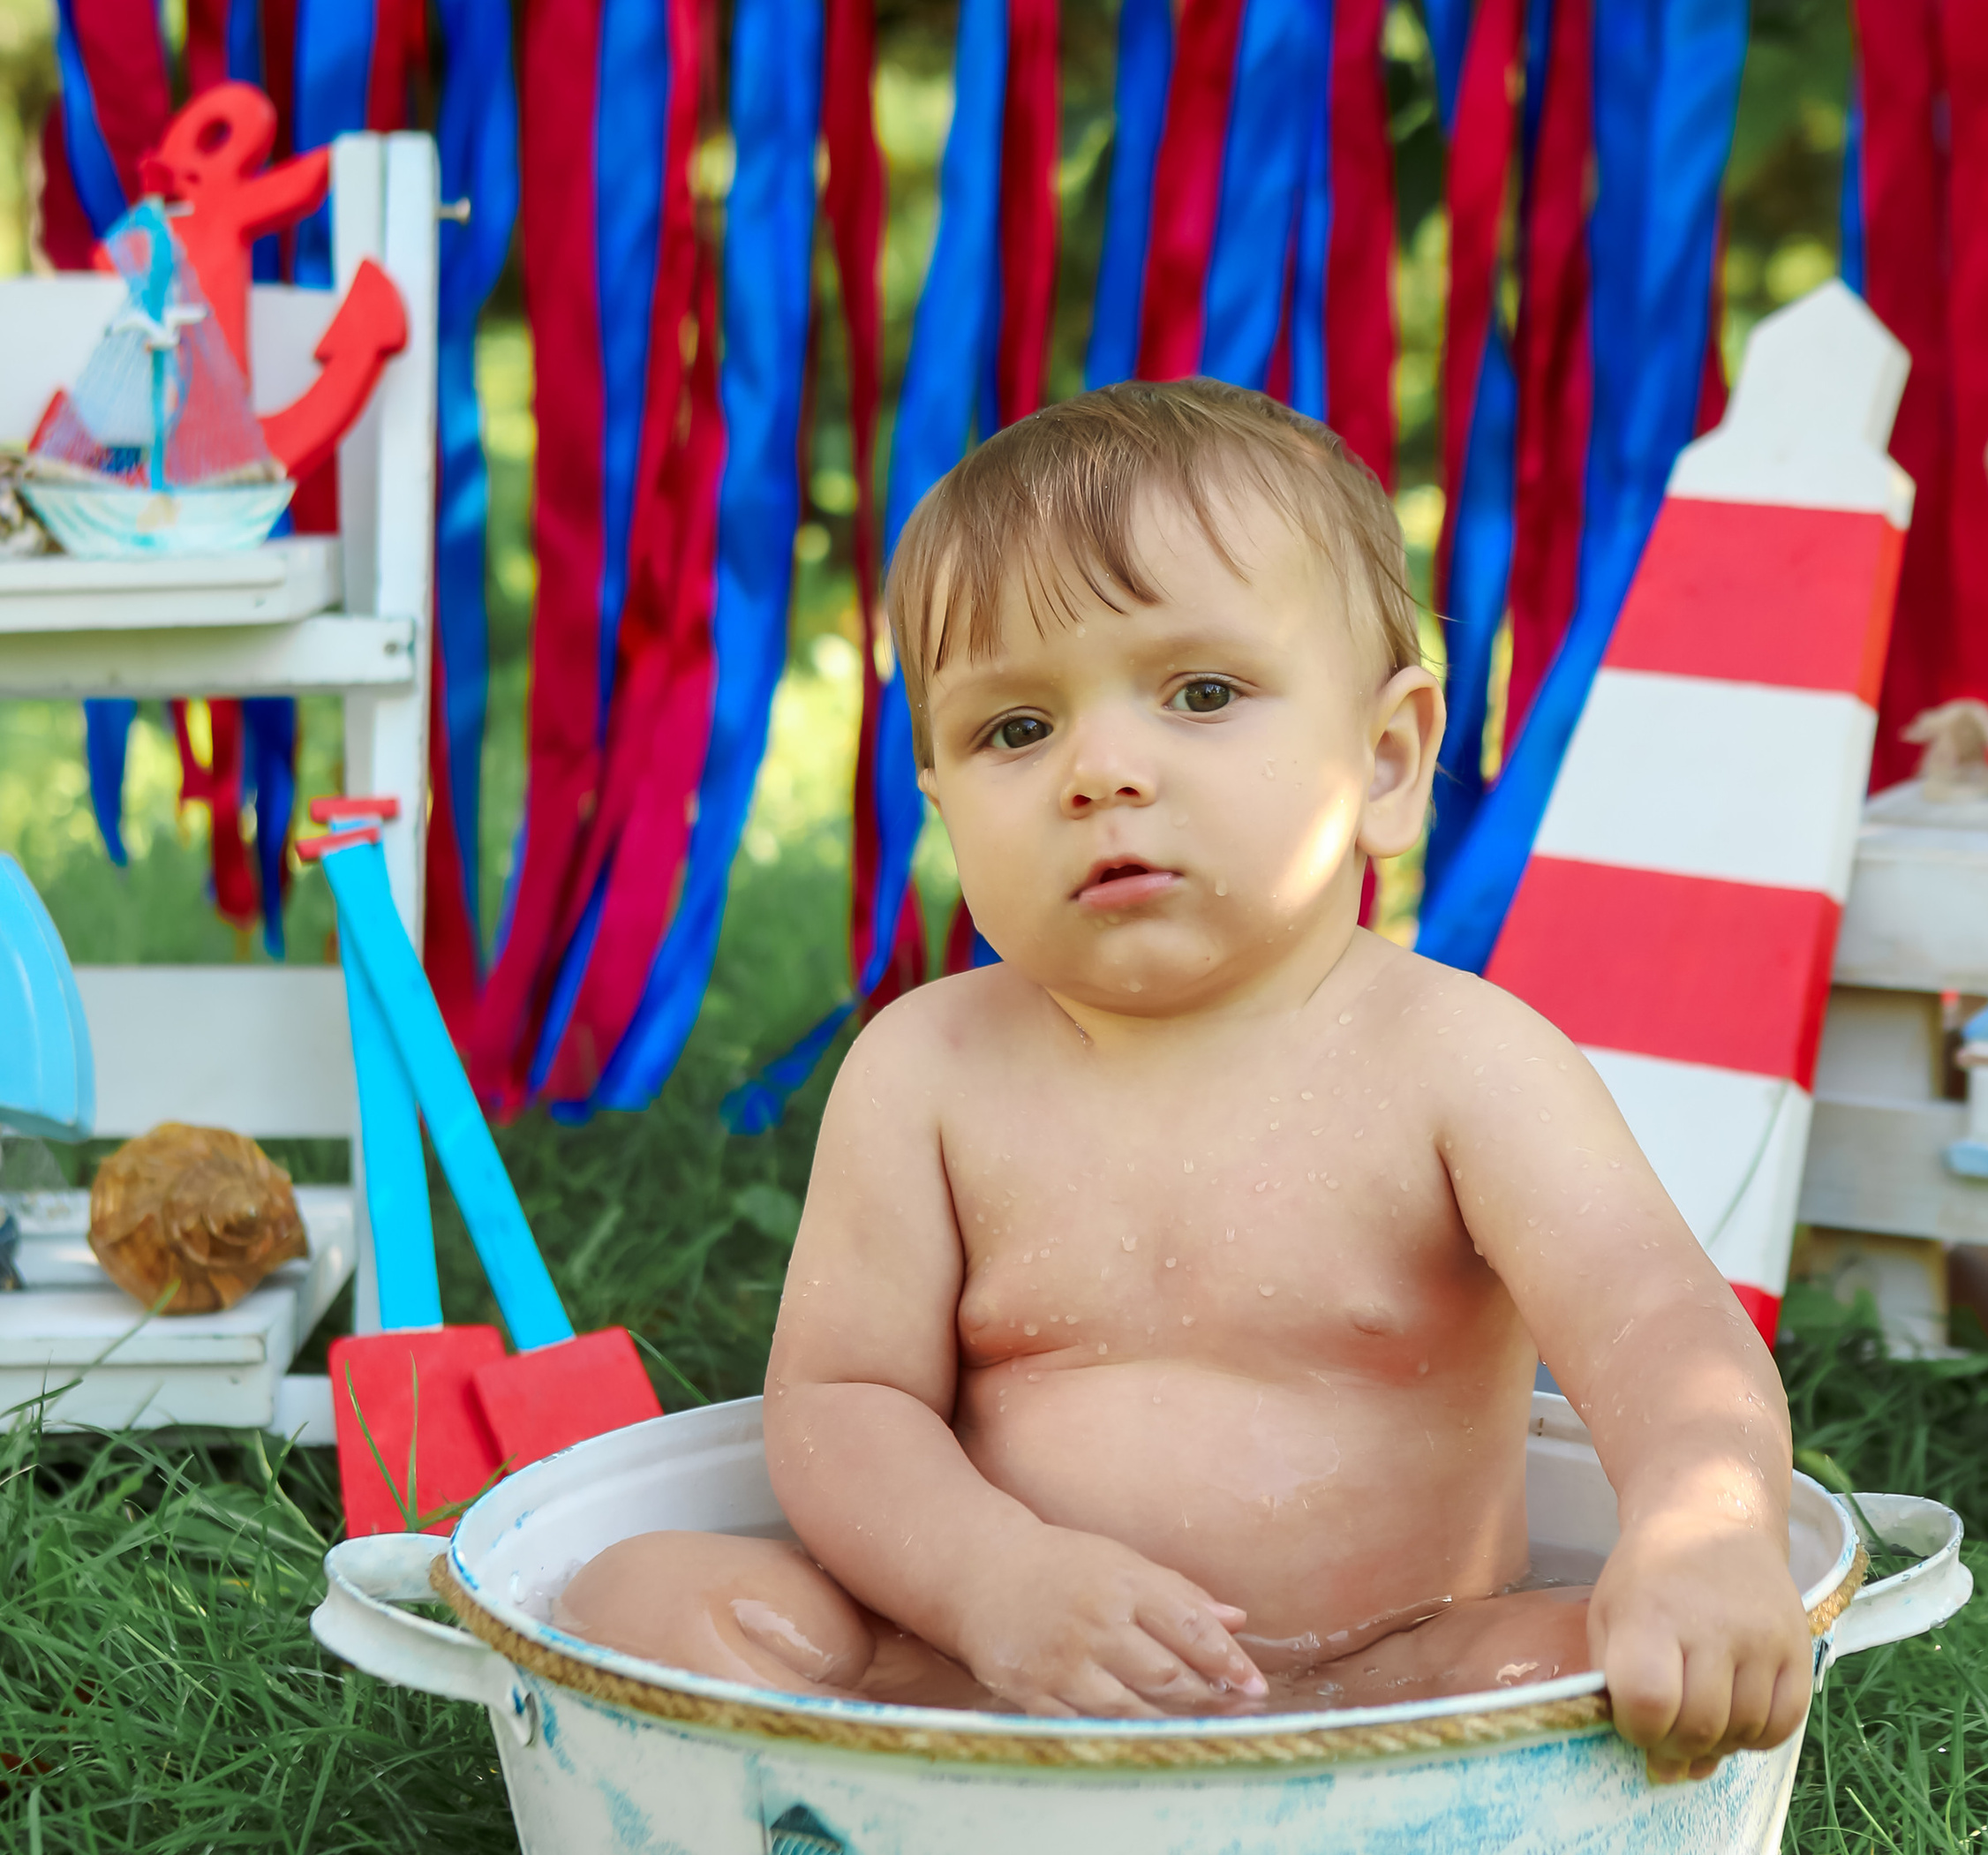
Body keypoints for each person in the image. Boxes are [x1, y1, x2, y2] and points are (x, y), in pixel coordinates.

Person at [562, 381, 1811, 1777]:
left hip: (1395, 1683)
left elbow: (1658, 1319)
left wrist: (1705, 1534)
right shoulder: (926, 1073)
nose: (1098, 770)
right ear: (940, 800)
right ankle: (891, 1851)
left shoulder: (1459, 1063)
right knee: (634, 1599)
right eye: (1014, 730)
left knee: (1601, 1657)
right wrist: (993, 1585)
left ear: (1386, 762)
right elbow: (845, 1406)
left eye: (1201, 694)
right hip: (977, 1672)